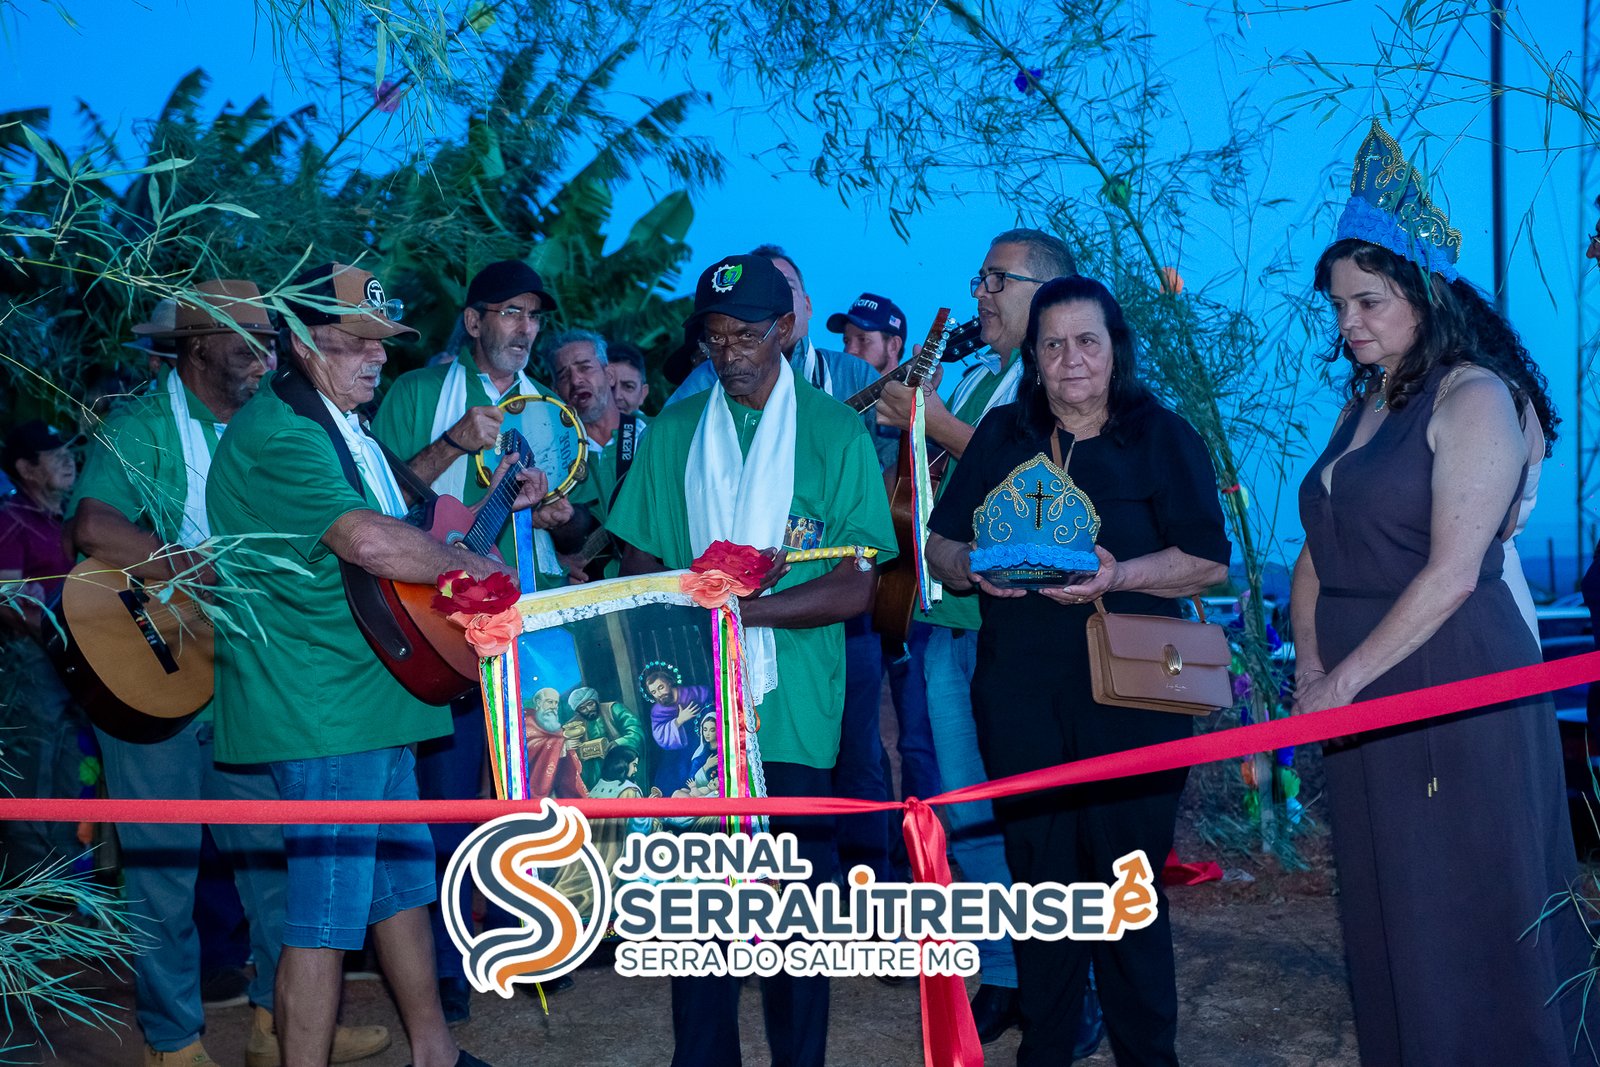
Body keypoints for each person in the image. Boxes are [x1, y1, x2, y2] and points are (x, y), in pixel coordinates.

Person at [1291, 125, 1585, 1065]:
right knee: (1389, 901)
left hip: (1453, 677)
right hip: (1358, 687)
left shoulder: (1474, 398)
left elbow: (1455, 572)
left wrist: (1345, 683)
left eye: (1369, 302)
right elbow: (1315, 549)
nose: (1351, 325)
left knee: (1464, 901)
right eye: (1339, 306)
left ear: (1425, 290)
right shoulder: (1363, 400)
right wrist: (1311, 664)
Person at [206, 263, 539, 1067]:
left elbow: (403, 508)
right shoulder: (283, 432)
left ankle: (436, 1053)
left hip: (372, 698)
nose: (372, 356)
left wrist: (472, 527)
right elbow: (369, 539)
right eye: (348, 340)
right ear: (295, 342)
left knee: (399, 890)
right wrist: (472, 572)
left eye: (379, 342)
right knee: (321, 924)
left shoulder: (339, 424)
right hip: (321, 711)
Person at [66, 280, 390, 1067]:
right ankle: (172, 1041)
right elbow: (90, 523)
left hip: (252, 673)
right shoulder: (141, 425)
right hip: (155, 674)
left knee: (279, 855)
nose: (265, 354)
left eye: (269, 340)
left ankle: (280, 1022)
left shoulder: (280, 425)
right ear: (195, 346)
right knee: (162, 871)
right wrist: (180, 567)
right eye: (246, 340)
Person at [925, 273, 1229, 1065]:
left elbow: (1205, 563)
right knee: (1043, 882)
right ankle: (1048, 1048)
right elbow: (939, 544)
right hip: (1021, 693)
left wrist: (1116, 574)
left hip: (1134, 694)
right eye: (1052, 344)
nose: (1070, 360)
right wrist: (971, 566)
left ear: (1114, 349)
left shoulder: (1161, 435)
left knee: (1126, 883)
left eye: (1086, 341)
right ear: (1033, 356)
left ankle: (1146, 1054)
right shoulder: (1000, 436)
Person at [607, 253, 896, 1067]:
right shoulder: (672, 432)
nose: (729, 351)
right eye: (714, 335)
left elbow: (855, 585)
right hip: (693, 714)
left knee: (792, 910)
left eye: (745, 334)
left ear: (784, 329)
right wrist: (677, 626)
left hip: (796, 706)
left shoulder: (835, 429)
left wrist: (736, 616)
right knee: (697, 909)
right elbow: (636, 563)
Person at [875, 227, 1078, 1040]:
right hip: (947, 615)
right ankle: (1002, 971)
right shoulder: (979, 373)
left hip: (1021, 629)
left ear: (1050, 292)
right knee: (968, 808)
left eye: (998, 278)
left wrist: (938, 425)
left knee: (1036, 813)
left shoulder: (1066, 376)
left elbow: (1053, 488)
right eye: (981, 275)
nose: (981, 292)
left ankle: (1068, 981)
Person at [370, 259, 586, 1020]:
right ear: (472, 322)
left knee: (528, 796)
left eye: (533, 315)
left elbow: (579, 524)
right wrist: (456, 442)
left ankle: (529, 945)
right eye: (508, 313)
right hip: (439, 629)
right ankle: (447, 968)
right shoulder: (416, 394)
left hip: (527, 628)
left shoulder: (551, 413)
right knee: (446, 799)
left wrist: (558, 517)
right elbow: (378, 501)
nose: (524, 328)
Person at [0, 421, 86, 874]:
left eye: (68, 451)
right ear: (25, 469)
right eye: (53, 454)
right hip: (32, 661)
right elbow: (7, 599)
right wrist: (59, 640)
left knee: (66, 771)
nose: (67, 459)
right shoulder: (10, 520)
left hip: (69, 662)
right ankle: (29, 894)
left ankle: (61, 888)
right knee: (32, 772)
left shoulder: (66, 519)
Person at [641, 669, 713, 797]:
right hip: (677, 749)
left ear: (670, 682)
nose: (659, 694)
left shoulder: (694, 693)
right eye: (654, 692)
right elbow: (659, 735)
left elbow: (712, 703)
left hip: (703, 740)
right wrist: (679, 720)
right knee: (672, 775)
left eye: (661, 687)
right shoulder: (658, 711)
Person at [560, 686, 645, 790]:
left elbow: (636, 731)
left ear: (596, 700)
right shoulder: (574, 725)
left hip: (622, 765)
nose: (588, 709)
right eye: (582, 708)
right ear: (578, 711)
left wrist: (618, 743)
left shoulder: (613, 709)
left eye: (590, 704)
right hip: (595, 775)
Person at [826, 291, 906, 374]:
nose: (849, 351)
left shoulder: (917, 386)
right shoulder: (829, 384)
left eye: (863, 339)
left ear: (893, 346)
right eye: (846, 341)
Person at [606, 341, 651, 419]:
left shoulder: (656, 430)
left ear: (643, 394)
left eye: (628, 386)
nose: (617, 396)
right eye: (609, 386)